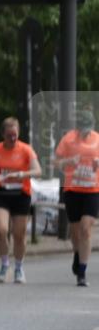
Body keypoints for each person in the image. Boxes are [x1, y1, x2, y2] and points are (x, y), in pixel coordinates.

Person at [0, 117, 41, 284]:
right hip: (2, 193)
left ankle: (18, 267)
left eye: (15, 135)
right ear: (3, 134)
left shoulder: (26, 150)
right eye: (9, 135)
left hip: (21, 194)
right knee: (1, 229)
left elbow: (38, 171)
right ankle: (4, 264)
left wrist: (22, 174)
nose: (12, 138)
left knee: (19, 234)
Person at [54, 109, 98, 287]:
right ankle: (77, 253)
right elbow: (55, 162)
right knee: (75, 230)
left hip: (92, 189)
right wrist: (68, 162)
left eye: (88, 128)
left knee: (86, 229)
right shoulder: (68, 139)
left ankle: (82, 271)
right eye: (83, 128)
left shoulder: (97, 139)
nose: (85, 132)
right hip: (72, 189)